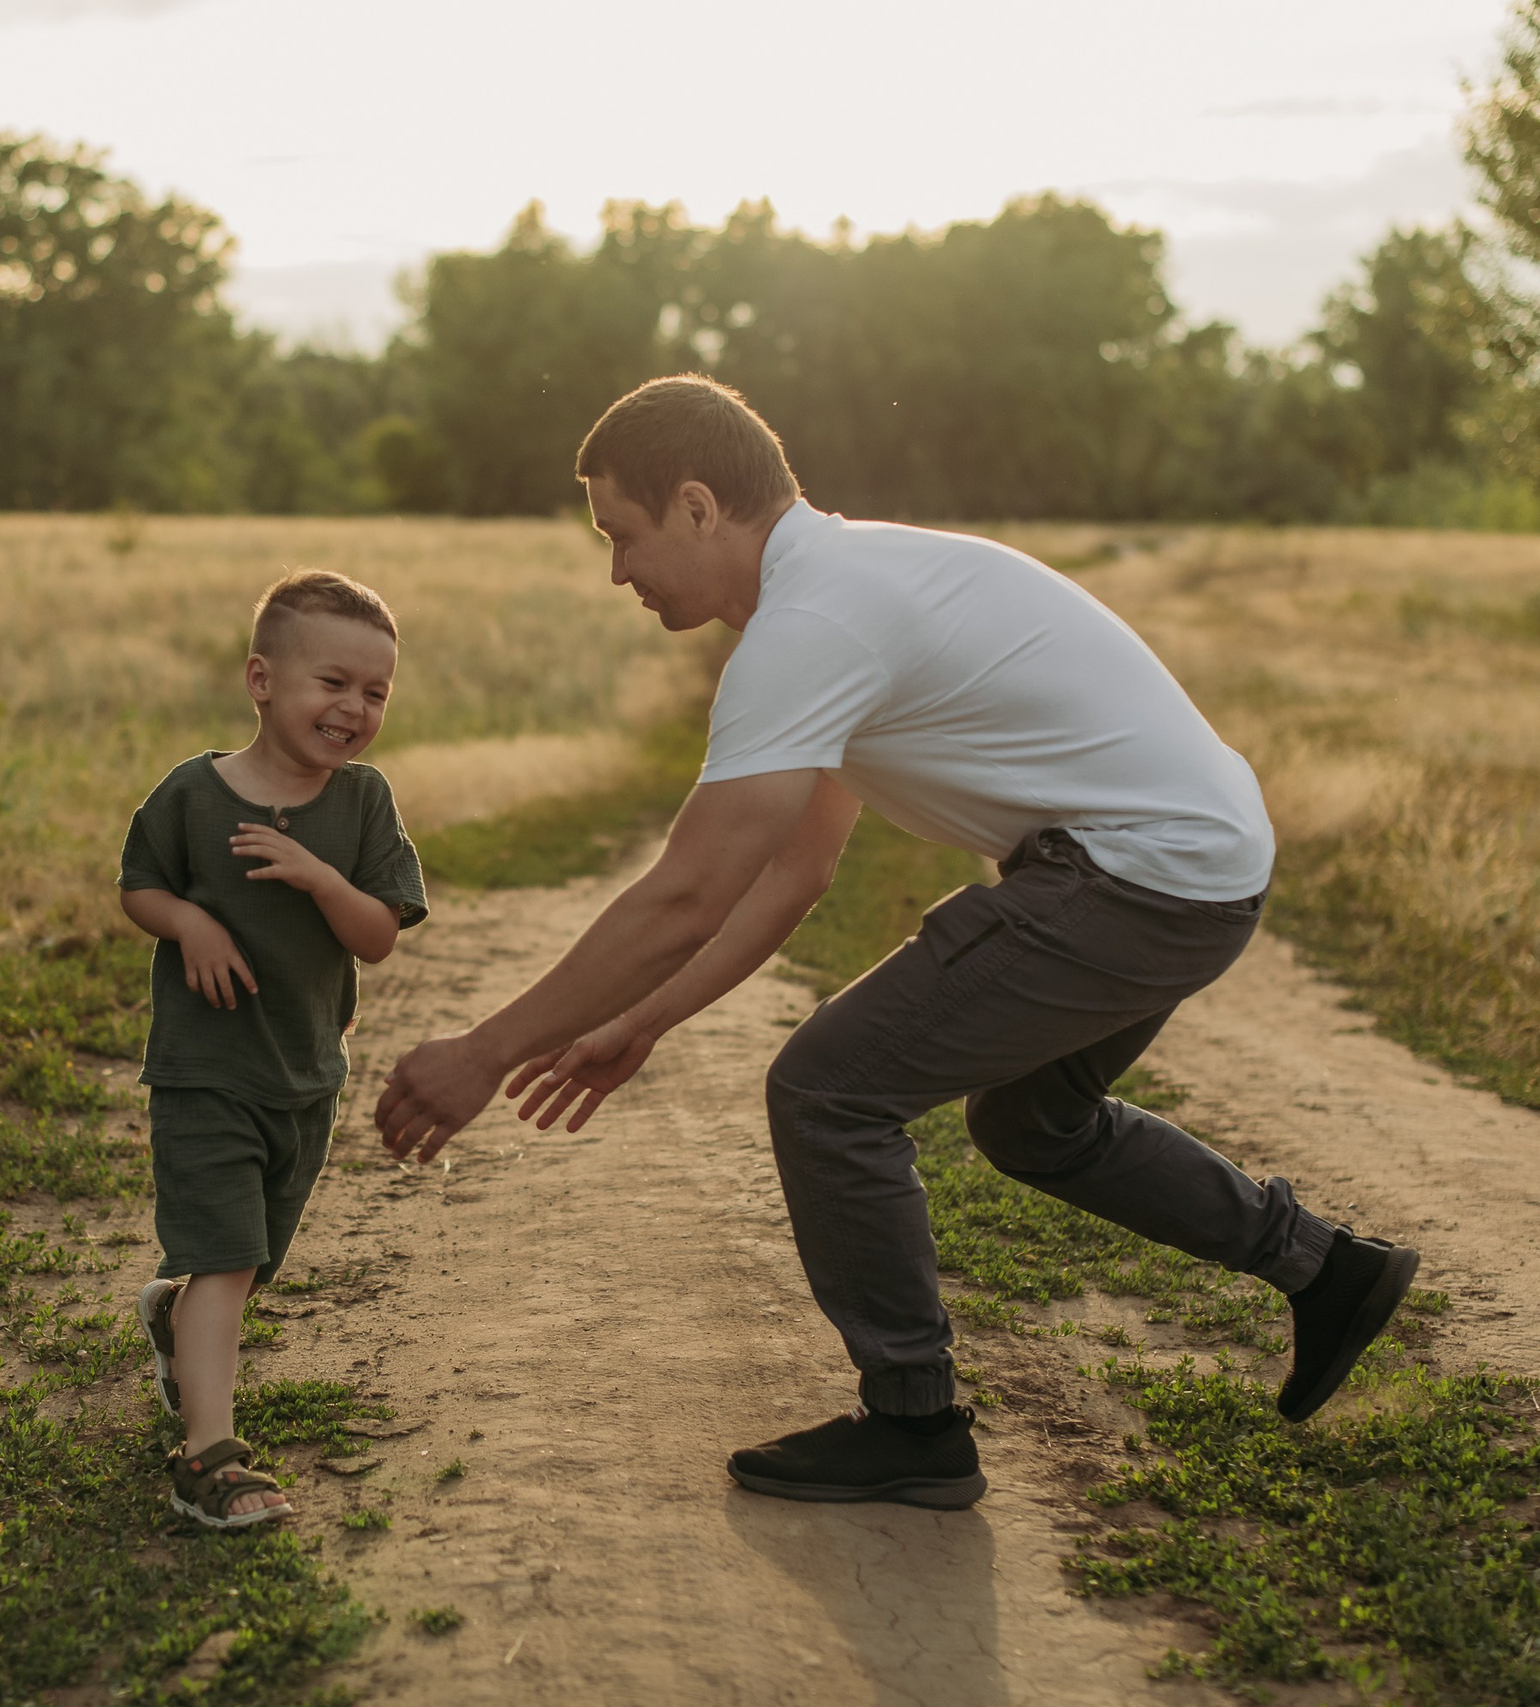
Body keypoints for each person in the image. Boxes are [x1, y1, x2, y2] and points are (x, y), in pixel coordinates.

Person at [375, 376, 1418, 1510]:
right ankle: (1324, 1269)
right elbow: (795, 870)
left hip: (1135, 876)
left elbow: (685, 893)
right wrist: (641, 1021)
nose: (617, 572)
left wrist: (484, 1052)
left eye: (619, 537)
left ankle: (914, 1424)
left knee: (828, 1093)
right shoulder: (841, 587)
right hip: (1193, 870)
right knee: (1032, 1123)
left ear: (694, 506)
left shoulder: (813, 620)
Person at [120, 570, 428, 1528]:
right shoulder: (190, 793)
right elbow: (140, 889)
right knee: (223, 1256)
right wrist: (191, 927)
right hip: (204, 1072)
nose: (354, 707)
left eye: (375, 692)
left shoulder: (363, 804)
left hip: (305, 1077)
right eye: (332, 682)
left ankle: (177, 1320)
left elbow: (377, 933)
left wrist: (316, 875)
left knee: (252, 1259)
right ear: (262, 678)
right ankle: (208, 1459)